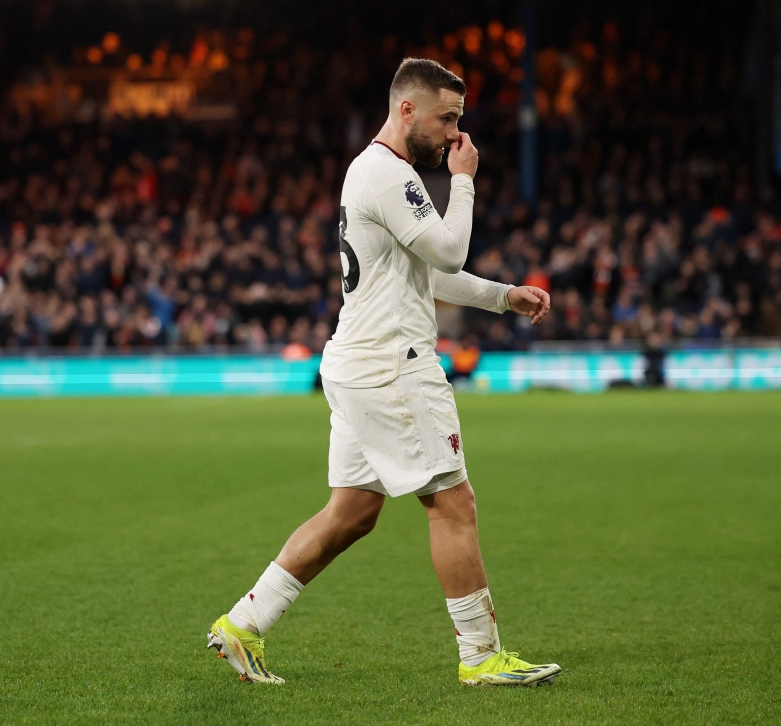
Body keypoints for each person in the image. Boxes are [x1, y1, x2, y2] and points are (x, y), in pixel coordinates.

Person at [207, 58, 559, 688]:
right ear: (406, 110)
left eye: (459, 121)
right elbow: (451, 248)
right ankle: (481, 657)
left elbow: (435, 271)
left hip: (357, 361)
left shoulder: (378, 173)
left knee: (352, 511)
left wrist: (505, 296)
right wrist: (465, 182)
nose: (455, 134)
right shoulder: (389, 174)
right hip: (394, 366)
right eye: (447, 118)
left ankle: (243, 624)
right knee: (453, 503)